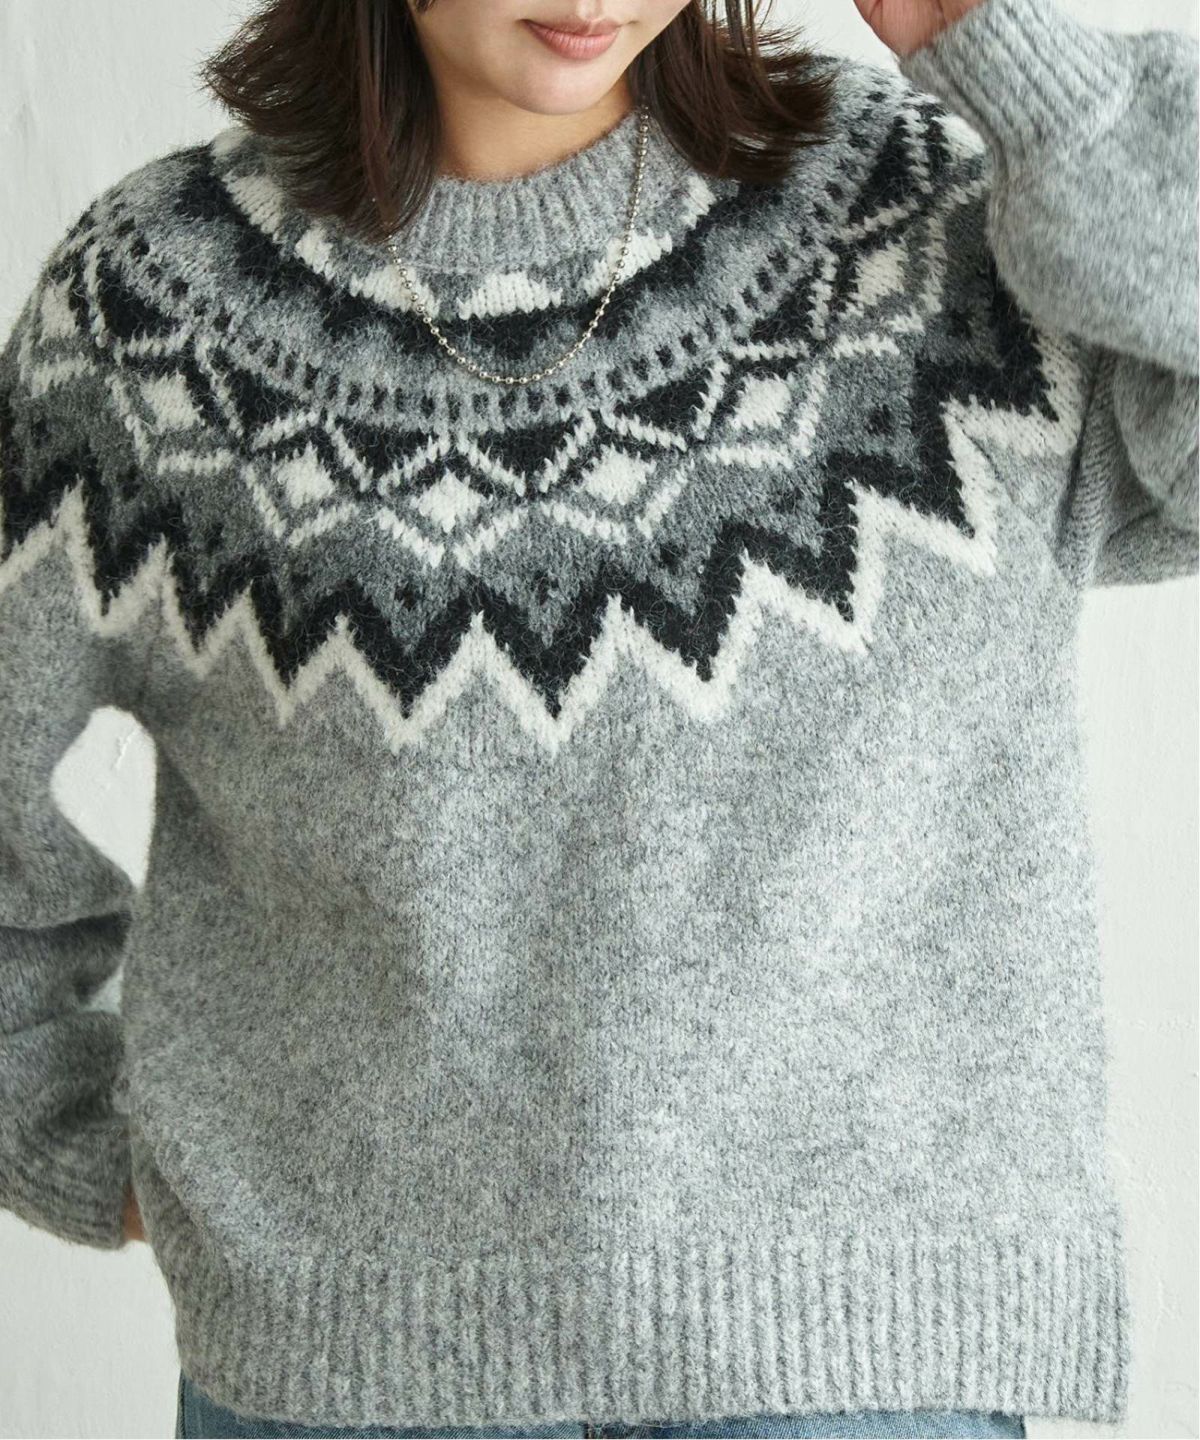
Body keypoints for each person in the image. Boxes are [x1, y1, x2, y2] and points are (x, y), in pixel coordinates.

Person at [1, 0, 1196, 1436]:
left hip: (863, 1374)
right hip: (349, 1379)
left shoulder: (928, 222)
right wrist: (62, 1126)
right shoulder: (158, 310)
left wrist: (1000, 44)